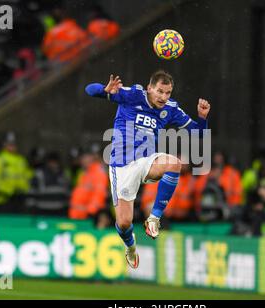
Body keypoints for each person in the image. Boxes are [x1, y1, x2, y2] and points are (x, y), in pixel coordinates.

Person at [85, 70, 211, 268]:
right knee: (125, 223)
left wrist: (202, 118)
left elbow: (199, 133)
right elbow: (89, 89)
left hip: (146, 162)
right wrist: (104, 90)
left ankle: (154, 218)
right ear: (149, 88)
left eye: (168, 92)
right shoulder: (132, 95)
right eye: (160, 91)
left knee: (174, 163)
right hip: (121, 166)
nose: (163, 97)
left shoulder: (170, 108)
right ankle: (130, 246)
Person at [0, 132, 30, 212]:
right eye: (9, 144)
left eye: (14, 144)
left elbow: (26, 178)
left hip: (20, 199)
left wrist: (24, 192)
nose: (12, 146)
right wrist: (8, 192)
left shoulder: (21, 160)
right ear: (4, 145)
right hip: (3, 200)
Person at [68, 145, 109, 220]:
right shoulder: (85, 172)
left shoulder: (98, 172)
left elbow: (99, 194)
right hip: (78, 216)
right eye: (82, 157)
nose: (82, 160)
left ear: (92, 157)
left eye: (85, 157)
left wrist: (89, 211)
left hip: (89, 217)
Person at [27, 151, 70, 216]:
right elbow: (32, 190)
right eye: (51, 161)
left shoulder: (64, 174)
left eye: (55, 161)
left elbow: (68, 191)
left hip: (60, 209)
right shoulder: (39, 174)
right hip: (42, 209)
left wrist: (67, 205)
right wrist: (31, 206)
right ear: (47, 162)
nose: (53, 163)